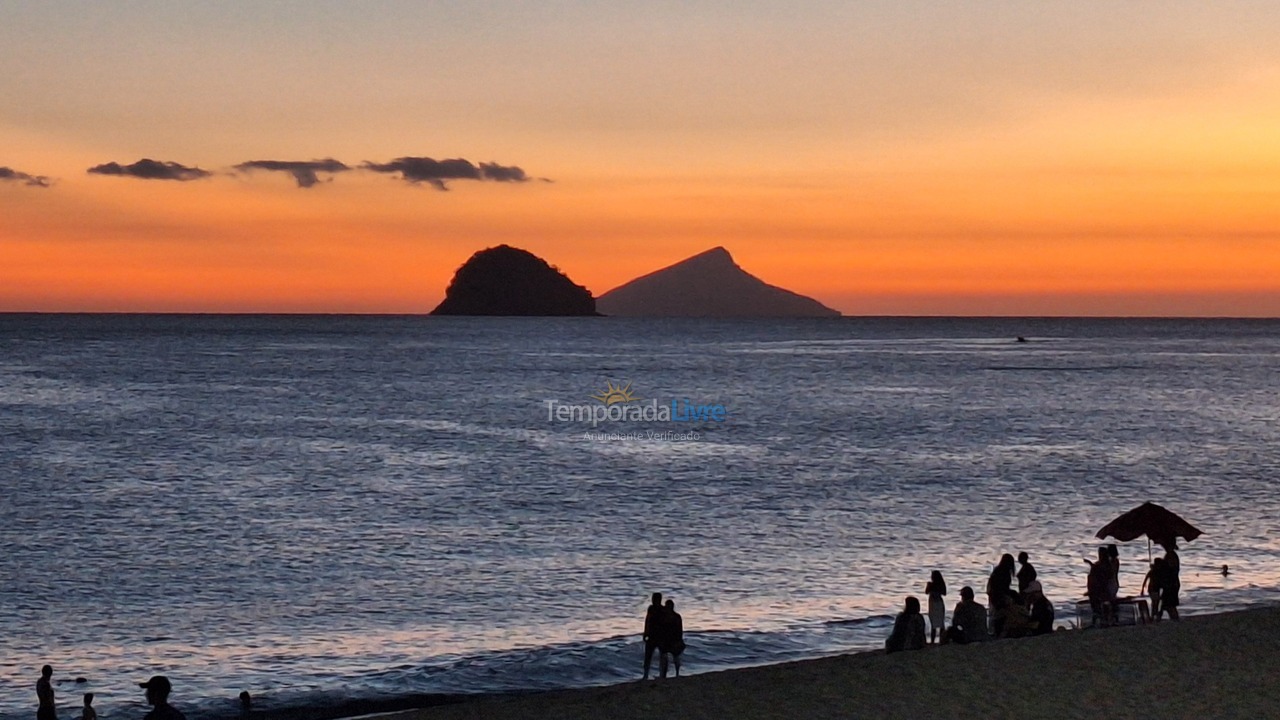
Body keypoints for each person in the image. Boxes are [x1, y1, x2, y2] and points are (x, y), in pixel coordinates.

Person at [657, 599, 685, 678]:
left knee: (674, 657)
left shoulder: (675, 617)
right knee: (665, 657)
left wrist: (679, 640)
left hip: (673, 640)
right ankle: (664, 674)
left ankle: (676, 673)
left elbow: (679, 629)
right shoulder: (667, 617)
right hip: (667, 640)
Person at [986, 554, 1016, 626]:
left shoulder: (997, 571)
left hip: (994, 595)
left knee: (995, 614)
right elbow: (1004, 587)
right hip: (999, 595)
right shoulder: (1004, 572)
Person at [1086, 546, 1112, 626]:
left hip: (1099, 588)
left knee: (1097, 604)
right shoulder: (1105, 564)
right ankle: (1101, 620)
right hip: (1098, 588)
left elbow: (1101, 575)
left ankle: (1101, 620)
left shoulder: (1104, 565)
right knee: (1097, 604)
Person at [641, 592, 664, 679]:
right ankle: (646, 674)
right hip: (652, 635)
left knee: (661, 656)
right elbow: (648, 620)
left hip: (660, 635)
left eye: (655, 599)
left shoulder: (662, 610)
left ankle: (662, 674)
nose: (653, 601)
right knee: (648, 656)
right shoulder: (651, 609)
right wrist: (645, 632)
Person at [1162, 540, 1182, 621]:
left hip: (1171, 583)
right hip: (1172, 582)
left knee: (1169, 604)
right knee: (1168, 604)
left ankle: (1175, 618)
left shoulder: (1171, 555)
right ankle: (1174, 618)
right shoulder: (1171, 555)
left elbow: (1170, 569)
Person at [926, 570, 947, 644]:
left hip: (933, 604)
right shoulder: (941, 584)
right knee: (940, 623)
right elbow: (944, 593)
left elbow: (926, 592)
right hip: (939, 603)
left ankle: (933, 641)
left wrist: (930, 586)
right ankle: (942, 641)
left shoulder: (931, 585)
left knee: (934, 625)